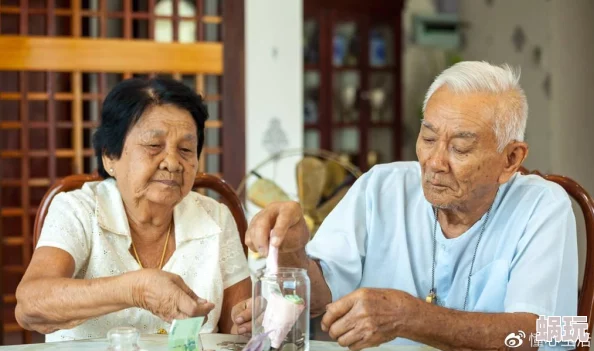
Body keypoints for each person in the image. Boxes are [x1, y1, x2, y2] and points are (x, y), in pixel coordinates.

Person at [232, 62, 578, 350]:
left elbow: (558, 333)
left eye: (459, 148)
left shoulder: (544, 206)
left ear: (511, 158)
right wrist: (293, 250)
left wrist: (412, 318)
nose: (435, 162)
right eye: (428, 139)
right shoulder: (381, 187)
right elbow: (324, 301)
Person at [15, 78, 251, 341]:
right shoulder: (77, 210)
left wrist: (252, 320)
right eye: (153, 146)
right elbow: (30, 306)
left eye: (185, 149)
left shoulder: (215, 217)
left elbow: (238, 330)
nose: (173, 163)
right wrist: (136, 290)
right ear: (110, 156)